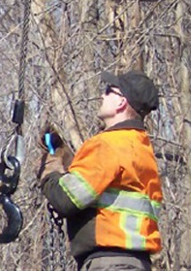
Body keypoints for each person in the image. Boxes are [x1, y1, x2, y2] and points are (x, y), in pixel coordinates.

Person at [39, 70, 163, 271]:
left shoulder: (109, 144)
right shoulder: (140, 147)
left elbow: (66, 199)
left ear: (122, 102)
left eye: (108, 91)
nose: (102, 96)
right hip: (136, 263)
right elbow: (102, 184)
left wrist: (50, 169)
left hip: (110, 264)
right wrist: (67, 157)